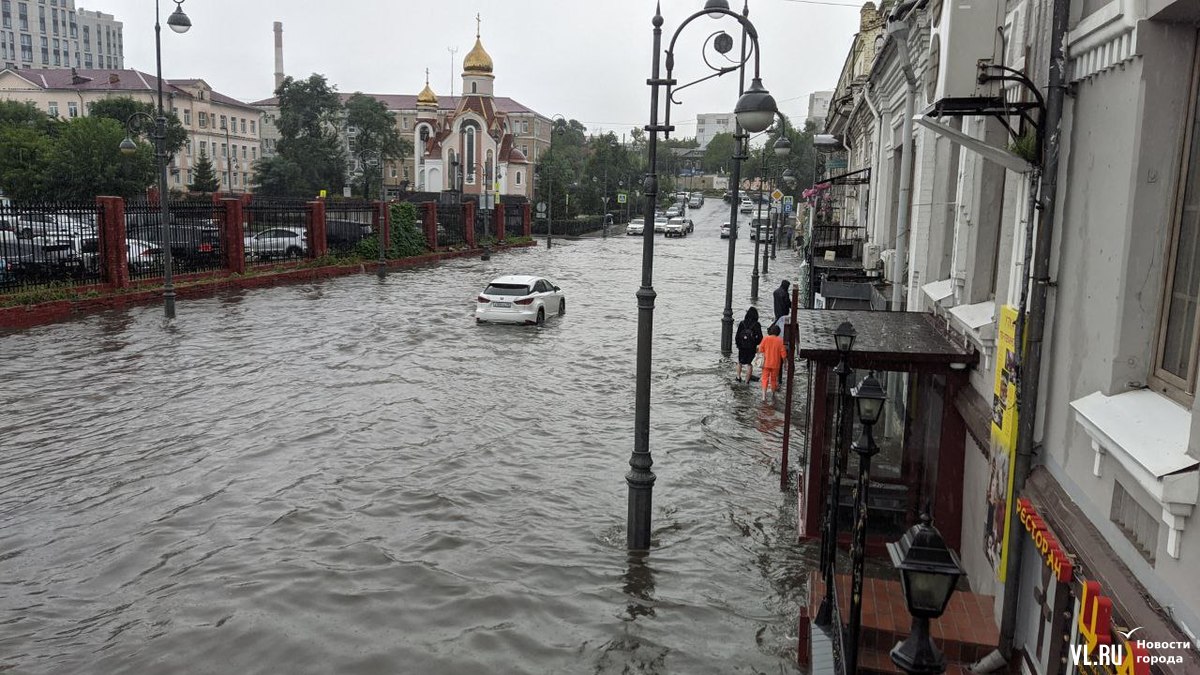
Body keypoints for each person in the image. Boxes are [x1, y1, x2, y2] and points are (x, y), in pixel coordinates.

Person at [758, 323, 787, 403]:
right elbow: (783, 354)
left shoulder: (765, 339)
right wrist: (785, 364)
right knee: (774, 379)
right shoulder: (780, 340)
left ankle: (764, 396)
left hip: (766, 363)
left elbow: (760, 349)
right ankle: (773, 394)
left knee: (764, 378)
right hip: (776, 364)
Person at [734, 306, 763, 383]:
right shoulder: (757, 324)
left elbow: (737, 336)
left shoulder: (742, 323)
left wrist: (738, 345)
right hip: (751, 347)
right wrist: (755, 344)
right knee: (749, 364)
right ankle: (746, 381)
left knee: (740, 361)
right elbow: (760, 337)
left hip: (742, 346)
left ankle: (738, 377)